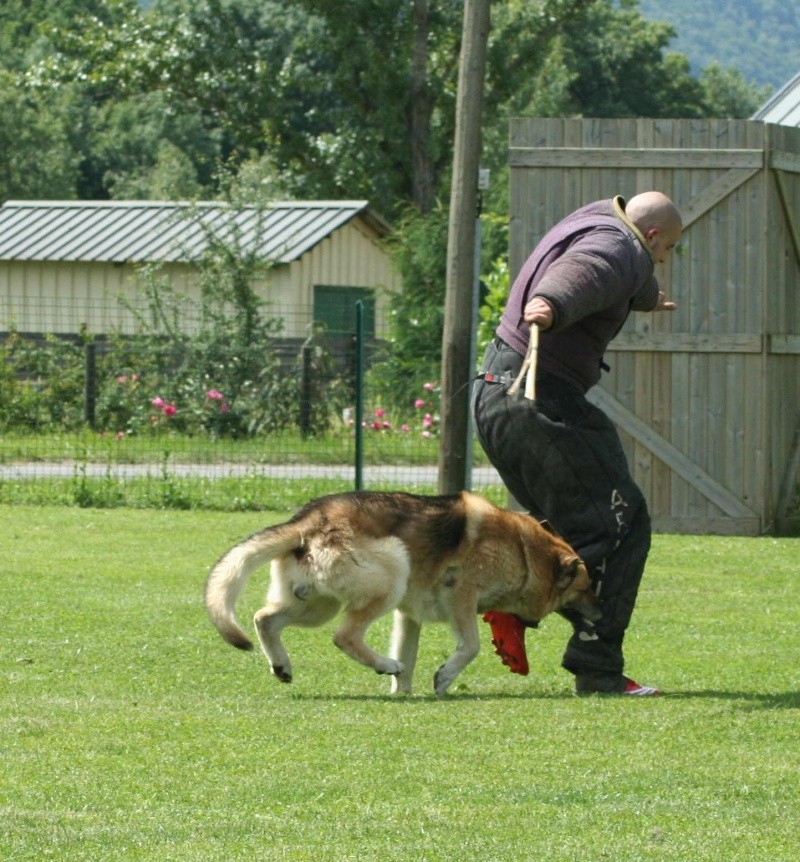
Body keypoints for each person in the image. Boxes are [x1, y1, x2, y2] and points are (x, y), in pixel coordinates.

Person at [472, 191, 682, 696]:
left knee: (566, 527)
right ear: (651, 236)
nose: (663, 258)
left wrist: (647, 297)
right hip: (536, 395)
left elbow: (617, 274)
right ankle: (594, 665)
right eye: (667, 248)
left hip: (498, 392)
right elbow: (587, 270)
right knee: (621, 520)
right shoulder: (616, 247)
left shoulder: (596, 219)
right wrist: (552, 302)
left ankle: (517, 604)